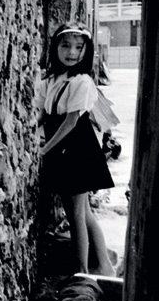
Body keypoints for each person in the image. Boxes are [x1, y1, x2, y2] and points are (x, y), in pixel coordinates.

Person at [35, 23, 116, 276]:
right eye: (65, 45)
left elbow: (71, 122)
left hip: (77, 147)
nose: (71, 52)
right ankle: (105, 265)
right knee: (82, 212)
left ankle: (81, 271)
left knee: (77, 213)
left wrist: (45, 150)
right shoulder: (52, 80)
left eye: (78, 47)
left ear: (86, 51)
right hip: (61, 147)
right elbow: (43, 114)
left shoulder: (82, 82)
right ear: (55, 48)